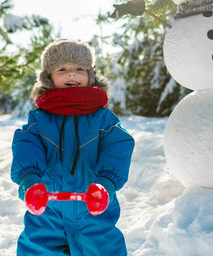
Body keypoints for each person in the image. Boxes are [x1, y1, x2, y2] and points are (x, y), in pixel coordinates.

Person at [11, 39, 135, 255]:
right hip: (46, 207)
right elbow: (26, 146)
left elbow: (118, 146)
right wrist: (30, 181)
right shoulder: (39, 120)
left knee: (103, 248)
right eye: (62, 69)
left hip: (94, 204)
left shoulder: (103, 118)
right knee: (39, 248)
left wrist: (106, 183)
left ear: (91, 76)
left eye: (79, 68)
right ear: (49, 78)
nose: (72, 74)